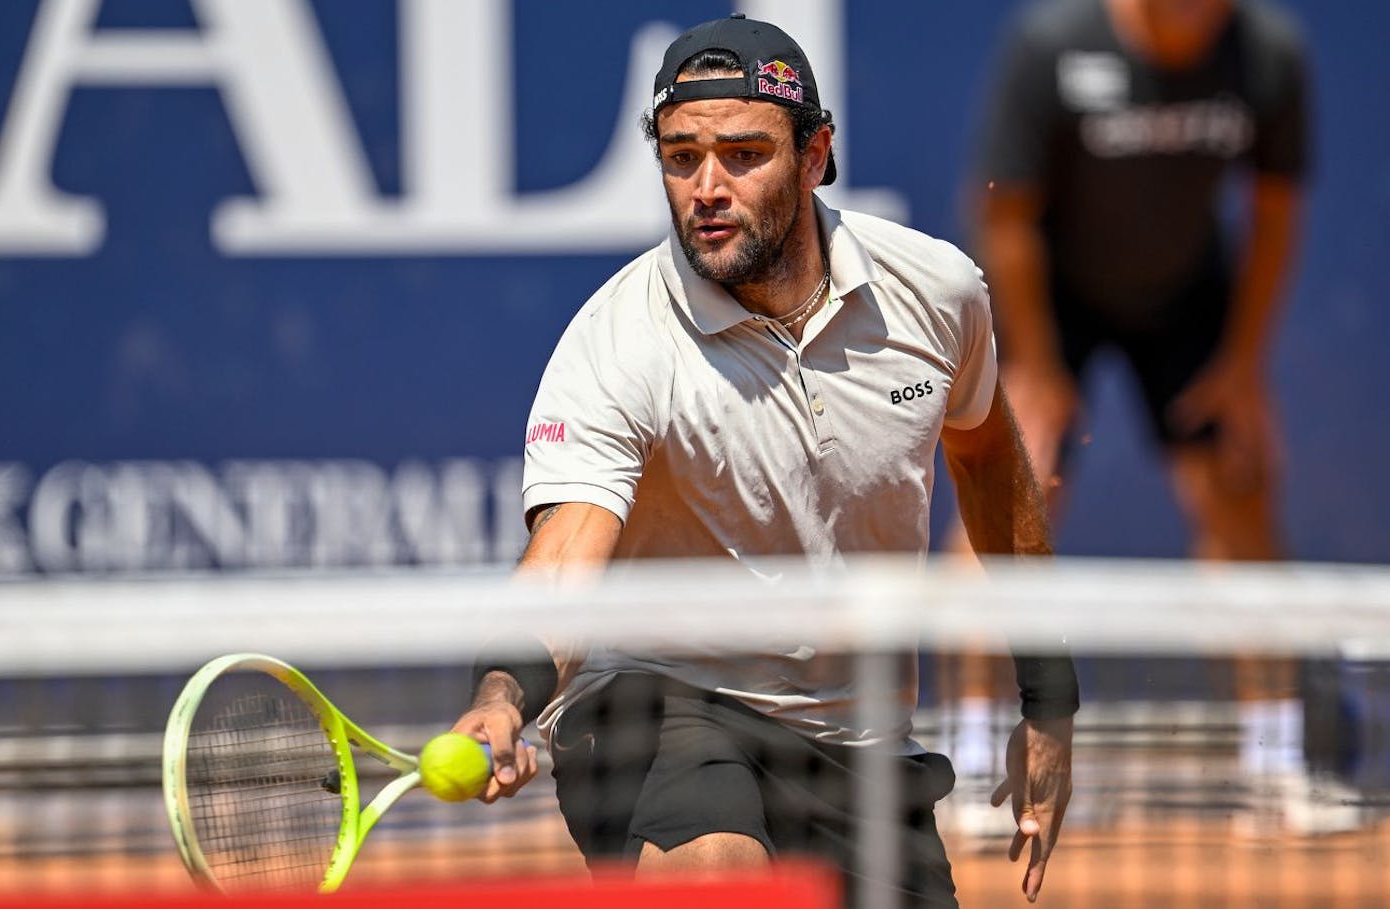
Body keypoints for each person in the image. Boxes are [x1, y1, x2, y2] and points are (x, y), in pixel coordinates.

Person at [451, 15, 1078, 906]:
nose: (707, 187)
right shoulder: (617, 343)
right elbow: (565, 561)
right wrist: (504, 693)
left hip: (858, 738)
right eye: (681, 157)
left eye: (743, 154)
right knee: (720, 876)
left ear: (817, 153)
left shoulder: (936, 296)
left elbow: (986, 463)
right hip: (659, 705)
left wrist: (1049, 701)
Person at [952, 0, 1335, 831]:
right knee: (1009, 500)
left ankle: (1275, 766)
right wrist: (1037, 368)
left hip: (1187, 302)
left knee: (1239, 492)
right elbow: (1006, 214)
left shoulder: (1268, 54)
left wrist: (1242, 364)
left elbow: (1275, 211)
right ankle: (977, 759)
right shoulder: (1051, 46)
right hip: (1048, 295)